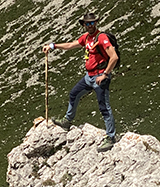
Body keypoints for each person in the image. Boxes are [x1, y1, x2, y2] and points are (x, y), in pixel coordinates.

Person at [43, 13, 118, 152]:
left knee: (104, 107)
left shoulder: (102, 37)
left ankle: (111, 137)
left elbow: (114, 57)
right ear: (84, 25)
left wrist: (105, 74)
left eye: (92, 23)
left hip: (100, 77)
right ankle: (67, 120)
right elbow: (71, 45)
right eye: (87, 23)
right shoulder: (86, 38)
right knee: (74, 94)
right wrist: (53, 46)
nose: (90, 25)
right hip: (89, 77)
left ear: (96, 23)